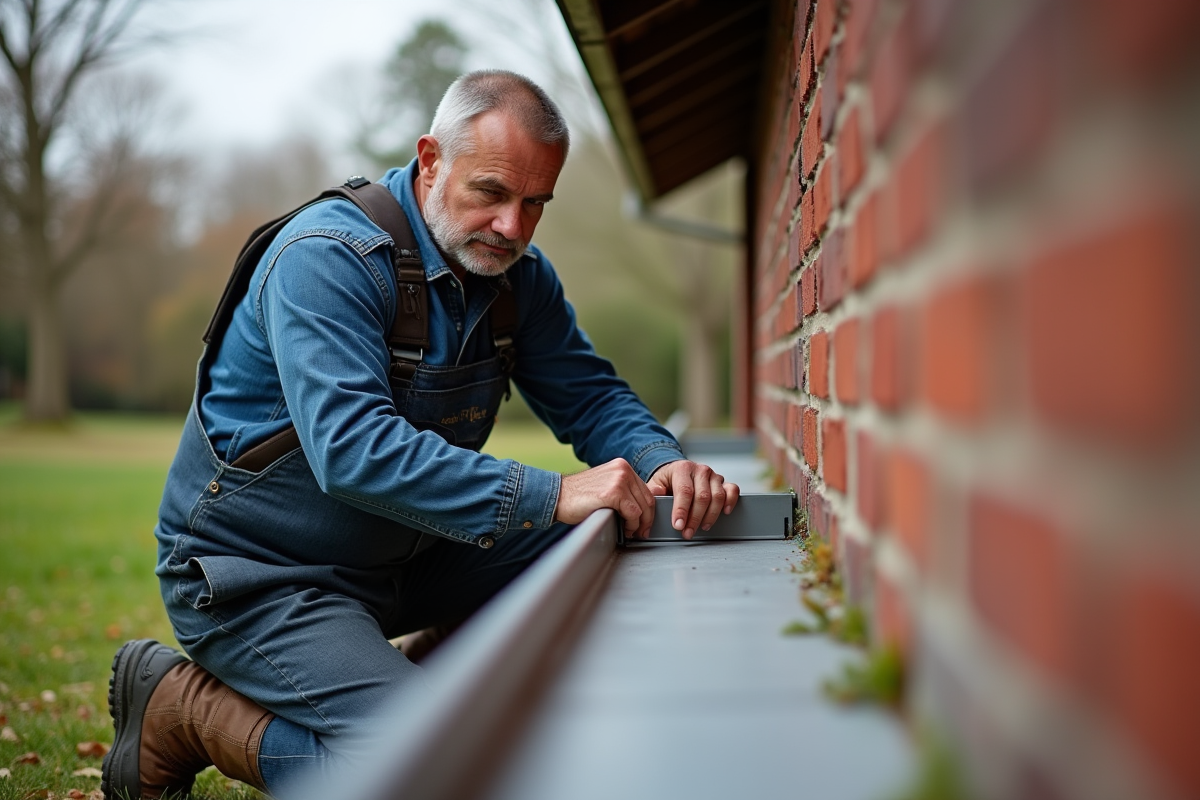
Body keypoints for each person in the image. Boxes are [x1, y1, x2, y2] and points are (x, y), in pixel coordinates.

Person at [101, 70, 739, 799]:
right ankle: (182, 710)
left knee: (606, 527)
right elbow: (353, 452)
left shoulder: (518, 279)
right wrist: (550, 491)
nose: (514, 228)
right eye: (492, 194)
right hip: (261, 576)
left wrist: (663, 464)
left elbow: (589, 395)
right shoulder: (328, 258)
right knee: (435, 768)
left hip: (401, 554)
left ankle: (440, 682)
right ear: (431, 160)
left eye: (536, 204)